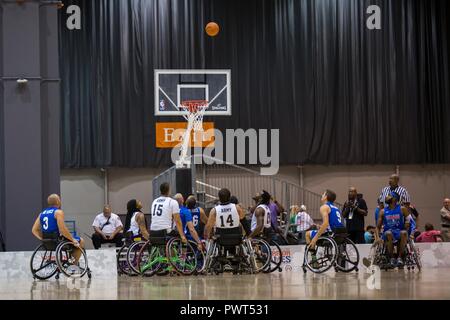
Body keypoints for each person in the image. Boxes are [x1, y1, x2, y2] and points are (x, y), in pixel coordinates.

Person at [31, 194, 84, 264]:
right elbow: (62, 230)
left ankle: (69, 262)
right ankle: (73, 264)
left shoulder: (41, 214)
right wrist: (72, 240)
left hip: (47, 242)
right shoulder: (58, 212)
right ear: (57, 201)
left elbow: (34, 230)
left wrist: (43, 239)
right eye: (59, 199)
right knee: (81, 241)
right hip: (57, 241)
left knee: (72, 241)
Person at [375, 192, 410, 268]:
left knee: (404, 232)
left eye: (389, 196)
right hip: (388, 232)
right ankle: (392, 258)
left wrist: (407, 223)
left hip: (399, 231)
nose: (387, 197)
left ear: (395, 199)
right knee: (388, 233)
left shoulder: (402, 209)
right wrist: (377, 238)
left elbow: (409, 220)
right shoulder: (383, 211)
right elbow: (377, 227)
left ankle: (400, 257)